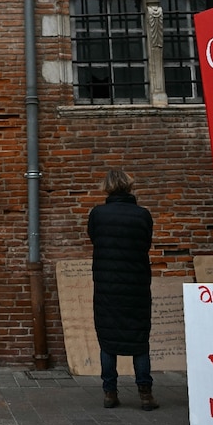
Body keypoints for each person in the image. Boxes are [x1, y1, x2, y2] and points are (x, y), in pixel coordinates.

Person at [87, 169, 158, 410]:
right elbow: (146, 243)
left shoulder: (97, 215)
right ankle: (145, 394)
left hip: (106, 287)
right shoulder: (142, 215)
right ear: (130, 185)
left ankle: (110, 393)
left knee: (108, 341)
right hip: (136, 286)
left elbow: (94, 239)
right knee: (140, 340)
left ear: (106, 187)